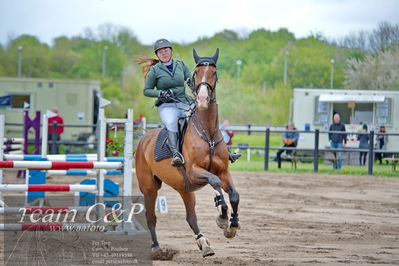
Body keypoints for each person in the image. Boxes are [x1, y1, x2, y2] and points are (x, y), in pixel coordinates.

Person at [137, 39, 240, 167]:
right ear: (157, 54)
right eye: (160, 52)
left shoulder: (180, 65)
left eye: (166, 50)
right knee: (171, 122)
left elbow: (190, 80)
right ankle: (176, 154)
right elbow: (146, 91)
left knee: (206, 119)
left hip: (184, 101)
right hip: (167, 104)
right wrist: (161, 93)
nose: (164, 53)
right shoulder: (155, 70)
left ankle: (225, 151)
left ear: (171, 51)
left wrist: (198, 91)